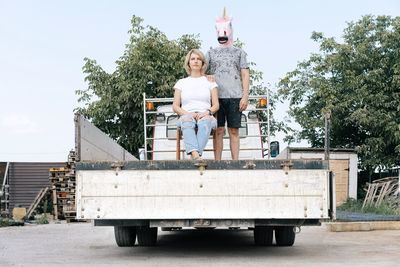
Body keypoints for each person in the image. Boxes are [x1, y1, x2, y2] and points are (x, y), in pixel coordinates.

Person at [206, 8, 250, 160]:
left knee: (234, 130)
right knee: (218, 130)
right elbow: (201, 72)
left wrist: (245, 96)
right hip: (216, 98)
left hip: (235, 96)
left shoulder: (240, 52)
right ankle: (217, 161)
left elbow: (245, 74)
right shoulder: (210, 53)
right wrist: (207, 76)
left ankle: (235, 161)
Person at [172, 49, 219, 160]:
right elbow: (175, 106)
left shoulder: (210, 81)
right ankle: (196, 155)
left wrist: (207, 113)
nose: (196, 61)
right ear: (188, 63)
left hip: (206, 115)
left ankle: (194, 154)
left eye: (199, 59)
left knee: (205, 122)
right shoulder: (181, 82)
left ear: (203, 63)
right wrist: (188, 114)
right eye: (193, 59)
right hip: (186, 115)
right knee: (187, 121)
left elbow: (216, 105)